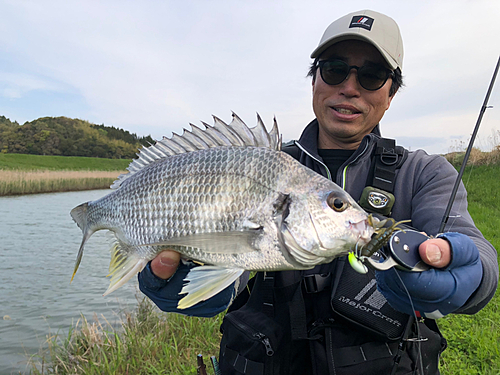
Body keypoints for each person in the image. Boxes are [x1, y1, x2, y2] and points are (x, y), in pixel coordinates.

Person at [138, 10, 498, 374]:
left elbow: (475, 250)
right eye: (335, 69)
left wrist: (468, 274)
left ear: (390, 95)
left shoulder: (424, 172)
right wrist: (178, 285)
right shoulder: (268, 165)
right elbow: (229, 273)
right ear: (315, 82)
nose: (350, 87)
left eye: (372, 75)